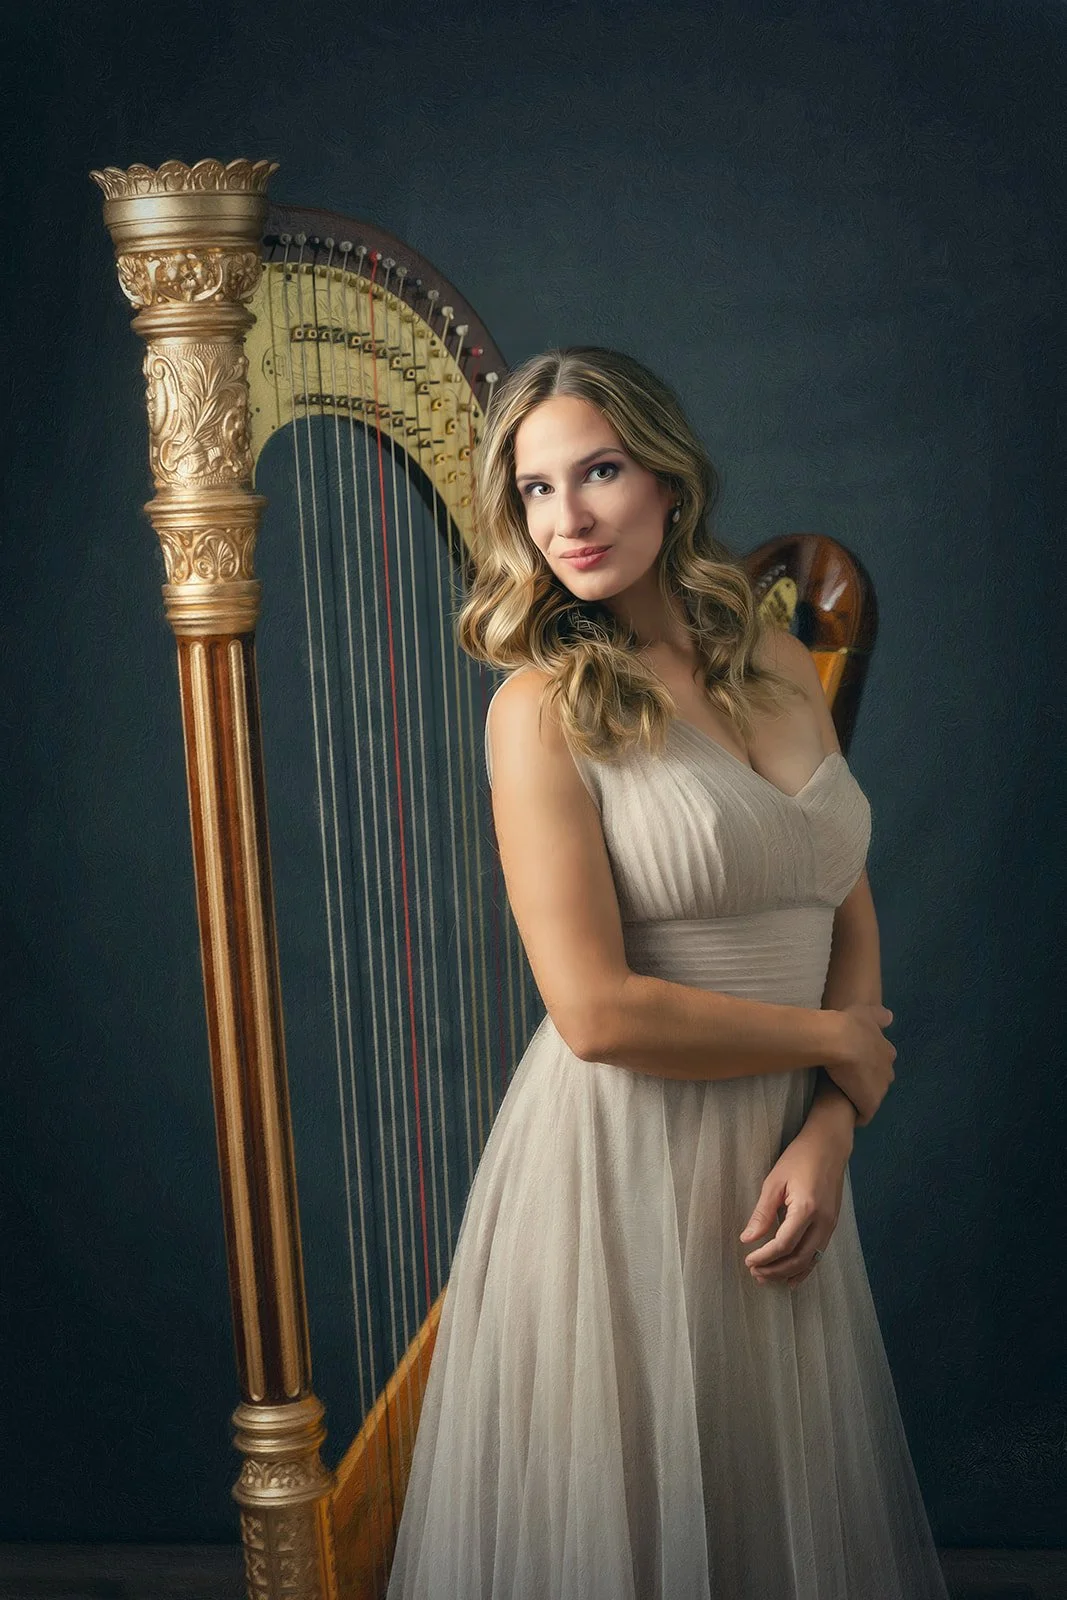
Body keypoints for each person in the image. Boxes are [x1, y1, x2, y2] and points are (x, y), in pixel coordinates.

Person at [385, 347, 949, 1599]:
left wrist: (830, 1131)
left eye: (598, 470)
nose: (567, 518)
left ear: (669, 483)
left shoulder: (773, 660)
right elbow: (592, 1014)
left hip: (778, 1157)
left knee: (764, 1520)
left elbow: (838, 891)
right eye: (533, 490)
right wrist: (831, 1050)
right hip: (622, 1157)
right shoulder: (539, 708)